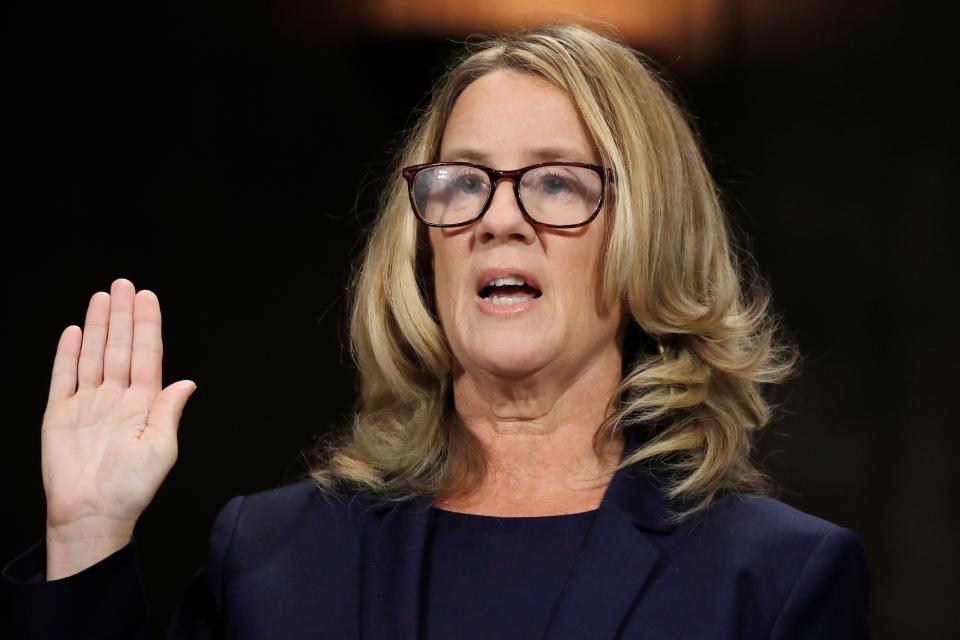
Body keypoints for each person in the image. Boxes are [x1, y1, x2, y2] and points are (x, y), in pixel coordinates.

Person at [3, 23, 869, 639]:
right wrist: (86, 538)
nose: (500, 219)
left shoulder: (776, 579)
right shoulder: (269, 555)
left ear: (650, 235)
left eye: (558, 184)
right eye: (464, 182)